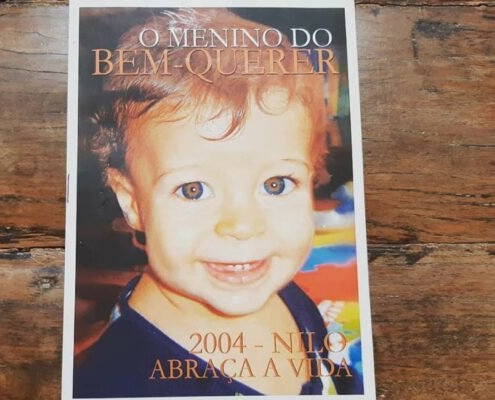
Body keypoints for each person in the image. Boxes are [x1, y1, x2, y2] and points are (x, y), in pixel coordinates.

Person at [74, 8, 362, 397]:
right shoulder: (119, 385)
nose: (243, 226)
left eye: (276, 184)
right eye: (193, 190)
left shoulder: (276, 288)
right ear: (132, 201)